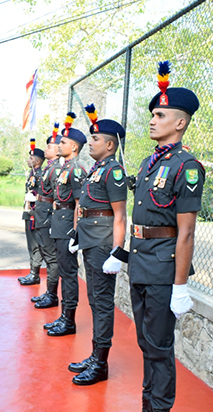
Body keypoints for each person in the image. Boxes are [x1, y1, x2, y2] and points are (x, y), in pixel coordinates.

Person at [107, 61, 205, 412]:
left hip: (165, 270)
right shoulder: (151, 164)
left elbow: (186, 231)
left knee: (161, 352)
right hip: (143, 264)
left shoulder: (186, 166)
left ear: (179, 123)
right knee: (148, 345)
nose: (152, 120)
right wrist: (123, 253)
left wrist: (180, 286)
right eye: (152, 114)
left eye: (160, 115)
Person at [69, 104, 128, 386]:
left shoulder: (113, 171)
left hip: (103, 243)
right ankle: (95, 355)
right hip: (90, 239)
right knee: (94, 299)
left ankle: (101, 363)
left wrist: (117, 251)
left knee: (102, 303)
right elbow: (89, 208)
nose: (89, 143)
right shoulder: (97, 169)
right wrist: (77, 235)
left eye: (94, 139)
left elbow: (119, 215)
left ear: (109, 144)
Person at [45, 112, 88, 336]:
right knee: (63, 271)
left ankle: (69, 320)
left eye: (63, 142)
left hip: (67, 226)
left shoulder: (76, 169)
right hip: (58, 223)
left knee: (69, 274)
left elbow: (79, 204)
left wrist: (75, 232)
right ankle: (63, 316)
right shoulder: (62, 168)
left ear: (74, 147)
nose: (58, 144)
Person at [31, 125, 62, 308]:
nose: (47, 149)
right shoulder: (49, 168)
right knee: (45, 252)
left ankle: (52, 294)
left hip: (48, 215)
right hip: (41, 213)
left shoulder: (57, 169)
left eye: (50, 146)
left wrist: (51, 220)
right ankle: (48, 292)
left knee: (51, 257)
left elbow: (59, 197)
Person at [18, 139, 44, 286]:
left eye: (31, 158)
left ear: (38, 161)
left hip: (35, 214)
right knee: (30, 244)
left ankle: (35, 274)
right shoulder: (32, 173)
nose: (28, 160)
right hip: (29, 212)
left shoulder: (40, 175)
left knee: (35, 244)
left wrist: (34, 199)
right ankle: (32, 272)